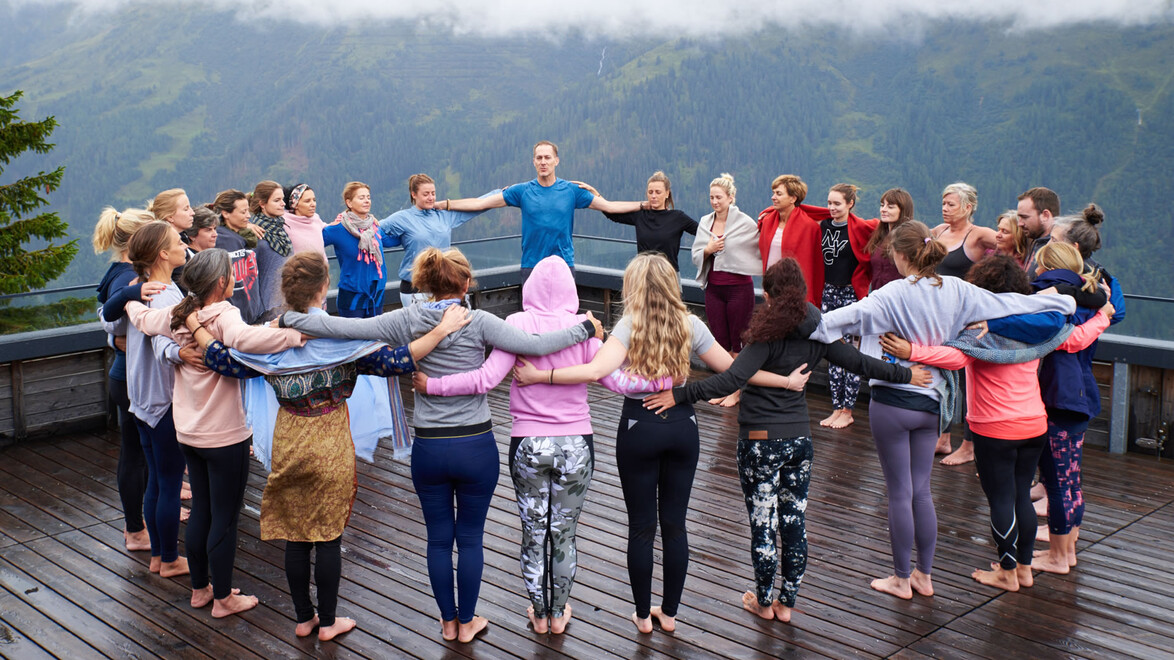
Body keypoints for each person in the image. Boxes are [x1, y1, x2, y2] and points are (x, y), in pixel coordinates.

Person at [279, 246, 603, 644]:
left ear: (427, 284)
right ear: (467, 284)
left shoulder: (407, 319)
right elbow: (536, 345)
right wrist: (585, 329)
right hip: (474, 445)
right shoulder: (481, 320)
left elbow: (347, 329)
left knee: (437, 539)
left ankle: (448, 624)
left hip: (429, 448)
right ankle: (467, 623)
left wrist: (289, 319)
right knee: (469, 539)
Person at [191, 251, 470, 641]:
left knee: (296, 533)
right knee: (328, 536)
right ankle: (328, 622)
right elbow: (400, 360)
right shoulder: (343, 339)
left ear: (287, 291)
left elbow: (222, 359)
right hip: (330, 438)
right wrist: (440, 331)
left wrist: (194, 324)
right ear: (325, 288)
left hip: (289, 436)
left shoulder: (271, 340)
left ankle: (303, 618)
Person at [512, 253, 791, 635]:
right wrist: (785, 381)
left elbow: (596, 372)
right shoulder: (690, 323)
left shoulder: (630, 325)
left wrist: (543, 375)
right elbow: (734, 371)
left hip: (638, 427)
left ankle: (643, 617)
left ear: (634, 287)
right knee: (675, 526)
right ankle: (670, 614)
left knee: (642, 528)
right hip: (681, 425)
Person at [642, 258, 926, 623]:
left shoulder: (767, 334)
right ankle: (786, 604)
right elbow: (860, 363)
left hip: (760, 440)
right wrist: (906, 373)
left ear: (771, 297)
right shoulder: (819, 331)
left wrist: (680, 395)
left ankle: (763, 602)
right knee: (794, 523)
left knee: (764, 524)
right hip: (800, 441)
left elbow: (730, 380)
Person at [805, 221, 1076, 600]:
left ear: (899, 255)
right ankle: (924, 576)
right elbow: (1016, 303)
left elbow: (828, 325)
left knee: (899, 493)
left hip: (893, 402)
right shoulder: (960, 290)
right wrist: (1064, 301)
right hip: (934, 404)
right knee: (922, 493)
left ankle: (901, 579)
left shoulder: (889, 295)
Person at [415, 255, 670, 635]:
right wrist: (666, 387)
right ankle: (557, 613)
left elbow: (485, 379)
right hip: (575, 444)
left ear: (530, 286)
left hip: (528, 444)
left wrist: (433, 385)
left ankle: (538, 614)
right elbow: (614, 380)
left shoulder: (515, 325)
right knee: (564, 533)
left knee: (534, 532)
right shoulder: (584, 328)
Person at [880, 254, 1111, 592]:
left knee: (1001, 499)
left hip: (994, 426)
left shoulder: (982, 326)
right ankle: (1024, 568)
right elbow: (1073, 337)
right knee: (1020, 496)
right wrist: (1103, 315)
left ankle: (1006, 573)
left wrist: (910, 350)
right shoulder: (1038, 324)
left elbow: (956, 357)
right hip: (1034, 423)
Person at [125, 248, 307, 618]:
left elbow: (142, 318)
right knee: (224, 517)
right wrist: (293, 336)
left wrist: (129, 296)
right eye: (231, 273)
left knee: (203, 511)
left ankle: (201, 588)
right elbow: (248, 341)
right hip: (225, 436)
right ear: (221, 282)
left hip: (187, 432)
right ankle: (223, 598)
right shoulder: (224, 314)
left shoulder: (179, 315)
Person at [103, 222, 192, 578]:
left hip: (138, 398)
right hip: (166, 400)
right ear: (163, 254)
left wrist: (128, 294)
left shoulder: (137, 290)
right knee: (169, 481)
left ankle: (158, 554)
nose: (184, 244)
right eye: (177, 242)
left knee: (156, 478)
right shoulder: (167, 296)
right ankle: (169, 559)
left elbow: (108, 321)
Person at [1020, 242, 1107, 575]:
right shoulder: (1092, 296)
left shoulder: (1047, 294)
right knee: (1071, 479)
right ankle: (1066, 551)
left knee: (1056, 480)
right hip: (1081, 391)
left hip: (1057, 393)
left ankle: (1057, 555)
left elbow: (1061, 339)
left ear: (1045, 266)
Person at [443, 140, 644, 279]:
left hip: (564, 264)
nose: (543, 162)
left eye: (547, 157)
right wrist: (445, 205)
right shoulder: (521, 191)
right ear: (533, 162)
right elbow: (481, 203)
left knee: (564, 320)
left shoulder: (572, 191)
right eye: (539, 158)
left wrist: (643, 205)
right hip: (531, 265)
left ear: (556, 161)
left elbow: (609, 206)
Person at [92, 206, 155, 552]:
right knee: (135, 454)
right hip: (130, 377)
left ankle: (141, 521)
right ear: (137, 240)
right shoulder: (127, 277)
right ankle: (134, 529)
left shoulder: (122, 270)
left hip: (126, 374)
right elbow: (114, 314)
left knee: (140, 452)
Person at [931, 182, 997, 464]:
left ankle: (968, 445)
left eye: (951, 205)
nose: (945, 209)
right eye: (944, 204)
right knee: (942, 378)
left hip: (967, 319)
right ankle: (943, 438)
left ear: (968, 207)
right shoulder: (937, 232)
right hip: (938, 317)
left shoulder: (979, 235)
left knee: (969, 384)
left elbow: (1012, 244)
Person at [815, 183, 878, 429]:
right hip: (829, 292)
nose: (831, 208)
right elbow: (802, 212)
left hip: (851, 295)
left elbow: (886, 226)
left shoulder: (861, 227)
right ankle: (836, 407)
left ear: (850, 204)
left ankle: (848, 409)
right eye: (829, 203)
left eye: (837, 203)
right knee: (831, 350)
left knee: (851, 352)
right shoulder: (824, 225)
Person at [379, 173, 496, 306]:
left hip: (443, 284)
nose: (431, 198)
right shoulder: (402, 218)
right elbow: (373, 230)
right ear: (414, 194)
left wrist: (500, 193)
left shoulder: (444, 215)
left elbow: (478, 205)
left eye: (433, 193)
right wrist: (395, 240)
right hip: (414, 288)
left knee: (447, 325)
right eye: (426, 194)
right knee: (421, 327)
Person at [692, 173, 761, 355]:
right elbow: (696, 253)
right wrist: (708, 249)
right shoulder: (705, 222)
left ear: (730, 198)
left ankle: (735, 382)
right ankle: (725, 381)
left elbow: (761, 246)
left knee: (739, 340)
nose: (714, 201)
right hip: (713, 289)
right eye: (711, 197)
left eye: (719, 197)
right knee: (719, 340)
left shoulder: (745, 223)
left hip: (739, 289)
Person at [591, 171, 698, 271]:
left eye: (658, 192)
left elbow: (701, 231)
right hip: (643, 274)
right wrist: (596, 195)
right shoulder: (641, 215)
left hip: (668, 276)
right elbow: (612, 214)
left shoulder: (678, 217)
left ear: (667, 193)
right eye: (650, 192)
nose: (653, 196)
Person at [323, 182, 399, 317]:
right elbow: (312, 241)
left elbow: (390, 241)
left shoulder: (374, 227)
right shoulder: (337, 229)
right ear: (349, 203)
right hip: (352, 294)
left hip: (377, 292)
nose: (366, 201)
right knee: (352, 337)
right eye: (361, 197)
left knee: (375, 336)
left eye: (368, 197)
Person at [755, 174, 832, 305]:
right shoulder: (767, 221)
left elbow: (814, 263)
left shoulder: (809, 226)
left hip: (794, 291)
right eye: (773, 193)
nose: (773, 197)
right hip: (770, 288)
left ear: (793, 198)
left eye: (779, 194)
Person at [1050, 204, 1126, 326]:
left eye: (1054, 240)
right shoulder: (1095, 271)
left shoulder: (1081, 279)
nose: (1048, 245)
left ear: (1073, 247)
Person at [208, 190, 264, 324]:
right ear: (225, 213)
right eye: (243, 212)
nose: (248, 216)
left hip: (251, 315)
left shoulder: (245, 236)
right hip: (234, 319)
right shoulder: (220, 240)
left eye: (248, 211)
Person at [249, 180, 293, 321]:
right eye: (277, 200)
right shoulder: (255, 232)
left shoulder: (280, 228)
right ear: (262, 204)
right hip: (266, 308)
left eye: (282, 199)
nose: (283, 203)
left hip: (287, 301)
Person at [867, 188, 915, 291]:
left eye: (890, 207)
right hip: (878, 299)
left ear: (903, 210)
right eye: (882, 205)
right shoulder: (879, 237)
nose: (883, 209)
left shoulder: (909, 239)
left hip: (899, 299)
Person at [1016, 186, 1060, 273]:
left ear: (1045, 215)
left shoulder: (1058, 252)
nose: (1019, 224)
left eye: (1024, 217)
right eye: (1019, 217)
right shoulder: (1036, 243)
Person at [282, 183, 326, 256]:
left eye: (314, 200)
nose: (313, 204)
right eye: (307, 201)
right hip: (298, 266)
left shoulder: (316, 219)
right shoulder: (284, 222)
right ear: (295, 204)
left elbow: (328, 227)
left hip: (321, 266)